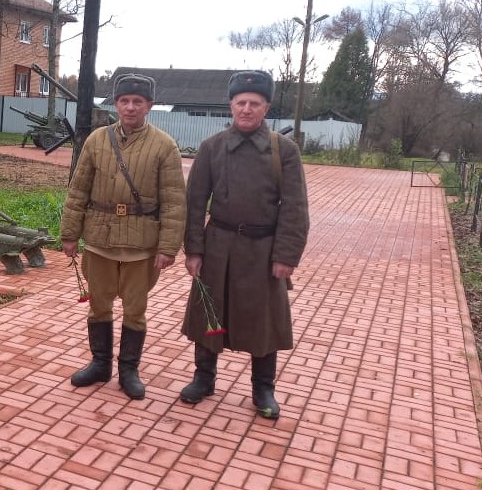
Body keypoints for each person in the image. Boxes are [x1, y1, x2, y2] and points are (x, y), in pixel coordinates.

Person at [179, 70, 309, 419]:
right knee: (210, 313)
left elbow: (295, 207)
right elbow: (194, 203)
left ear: (266, 107)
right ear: (231, 106)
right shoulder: (212, 148)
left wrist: (286, 256)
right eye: (241, 103)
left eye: (254, 103)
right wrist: (194, 249)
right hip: (218, 246)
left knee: (264, 320)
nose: (247, 109)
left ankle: (263, 388)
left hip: (263, 251)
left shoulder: (285, 151)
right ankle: (203, 378)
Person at [59, 74, 187, 400]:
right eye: (124, 101)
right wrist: (70, 233)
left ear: (149, 106)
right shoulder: (96, 141)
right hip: (100, 239)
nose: (130, 107)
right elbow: (78, 190)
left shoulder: (164, 146)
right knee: (98, 306)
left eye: (137, 102)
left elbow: (174, 201)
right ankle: (100, 363)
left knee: (135, 310)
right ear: (115, 103)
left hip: (141, 245)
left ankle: (129, 370)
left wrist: (169, 246)